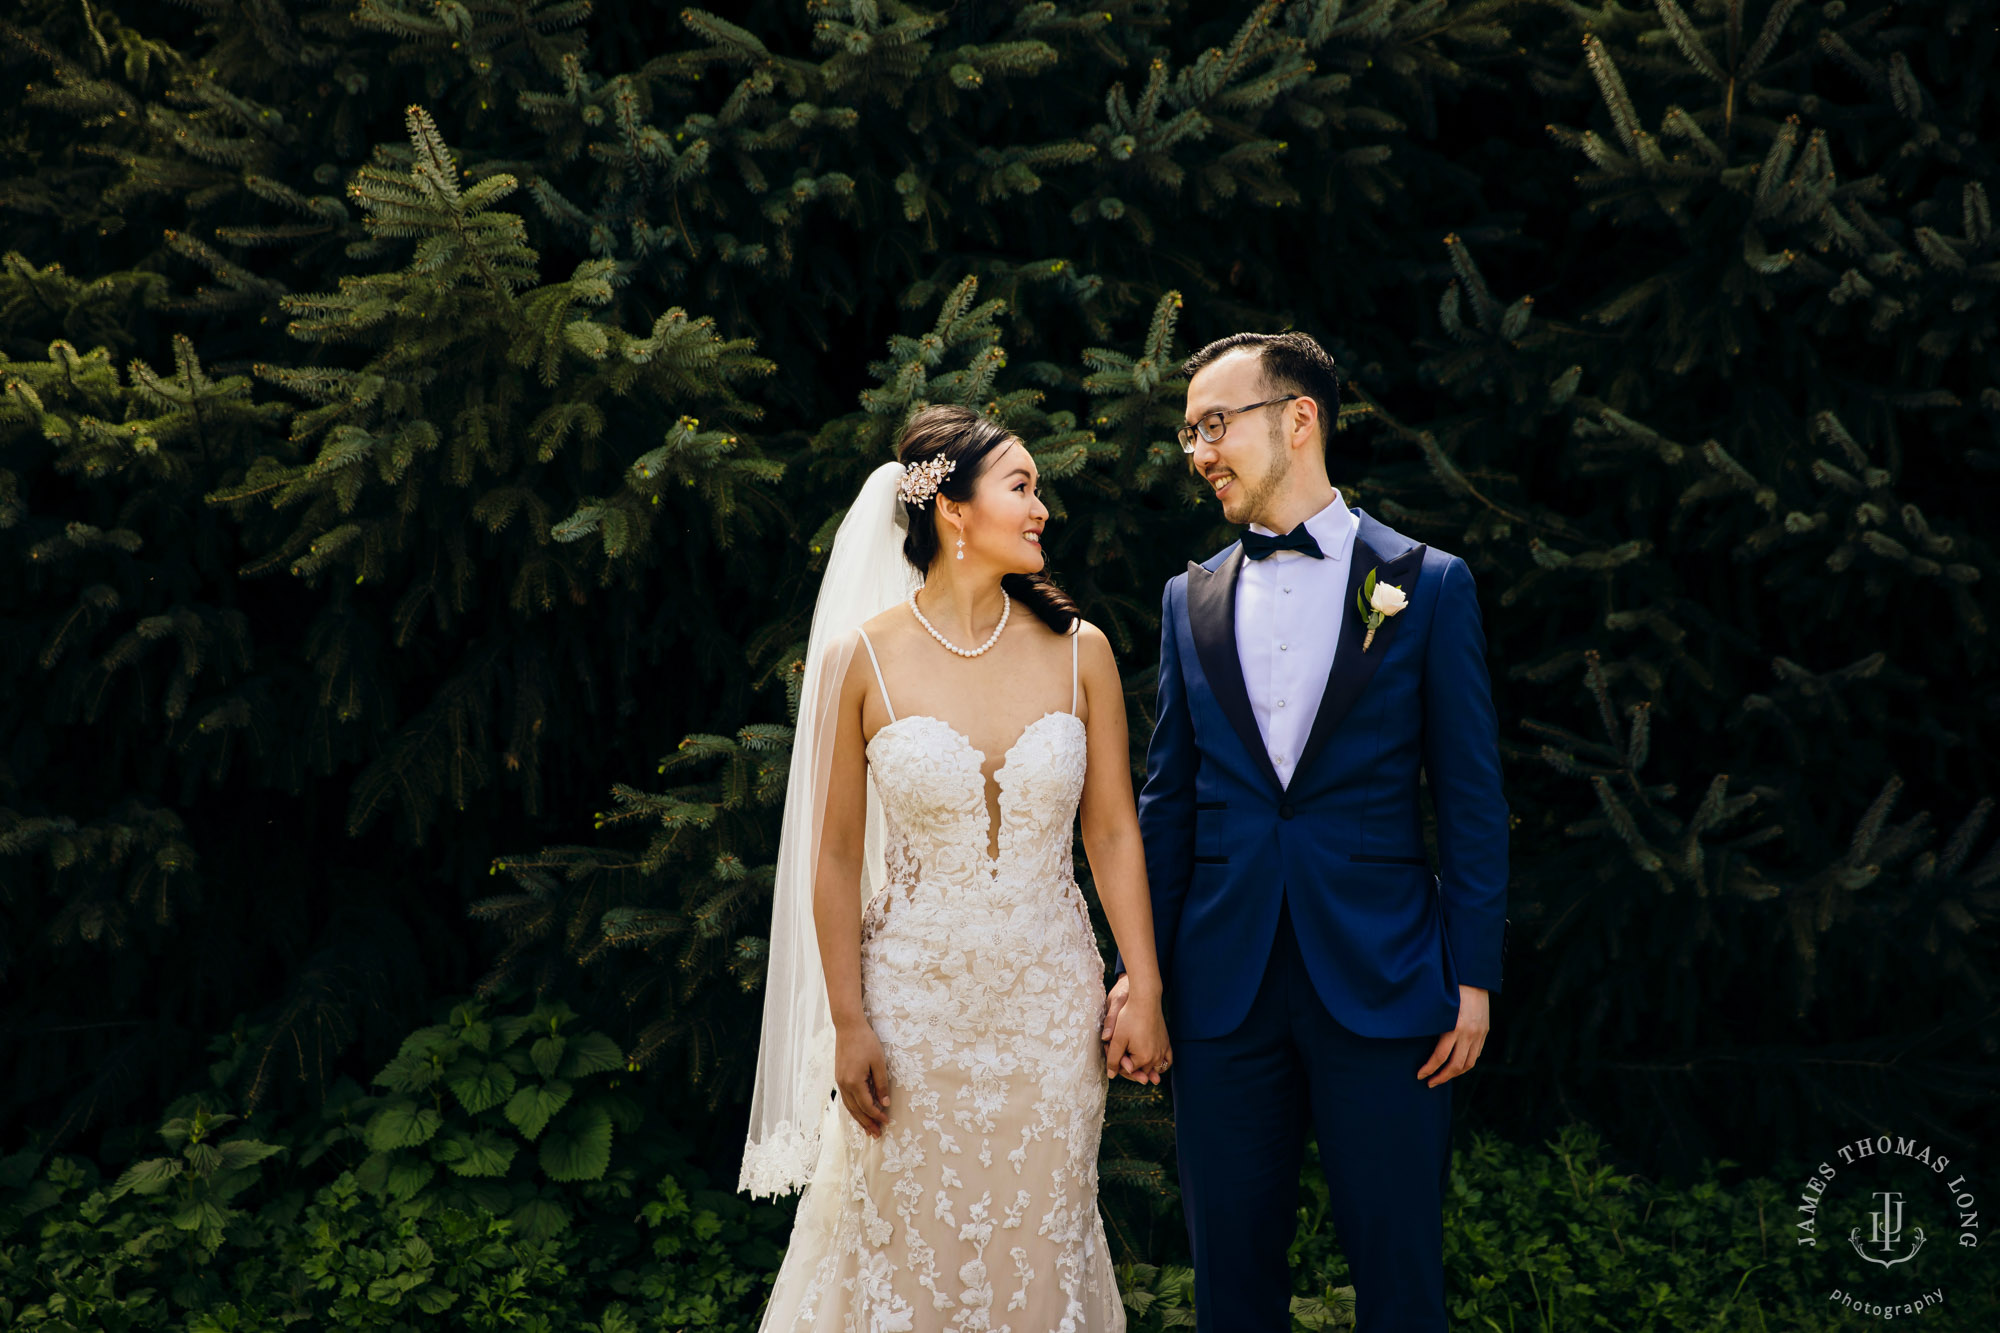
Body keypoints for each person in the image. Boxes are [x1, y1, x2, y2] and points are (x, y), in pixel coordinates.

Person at [1102, 331, 1508, 1332]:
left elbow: (1467, 798)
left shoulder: (1427, 584)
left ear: (1297, 419)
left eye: (1213, 424)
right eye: (1187, 432)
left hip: (1385, 981)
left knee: (1400, 1276)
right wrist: (1139, 976)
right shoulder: (1184, 599)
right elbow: (1167, 803)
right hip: (1220, 991)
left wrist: (1474, 976)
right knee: (1230, 1286)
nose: (1197, 451)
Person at [740, 403, 1170, 1331]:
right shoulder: (865, 659)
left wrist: (1144, 978)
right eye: (1021, 486)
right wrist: (849, 1020)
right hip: (910, 1018)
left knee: (1044, 1241)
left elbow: (1113, 835)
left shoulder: (1078, 650)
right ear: (953, 510)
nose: (1041, 507)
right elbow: (837, 854)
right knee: (911, 1261)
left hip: (1051, 1012)